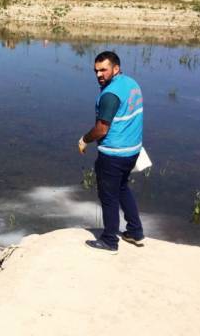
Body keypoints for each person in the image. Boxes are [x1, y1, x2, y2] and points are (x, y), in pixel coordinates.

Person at [78, 51, 145, 255]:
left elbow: (102, 129)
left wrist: (84, 140)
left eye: (103, 70)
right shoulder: (131, 84)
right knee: (122, 188)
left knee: (108, 196)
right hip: (132, 150)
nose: (99, 74)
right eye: (96, 70)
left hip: (114, 154)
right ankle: (135, 231)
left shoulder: (109, 95)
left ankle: (109, 241)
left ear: (116, 68)